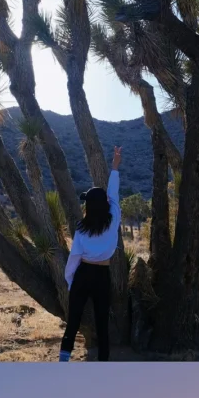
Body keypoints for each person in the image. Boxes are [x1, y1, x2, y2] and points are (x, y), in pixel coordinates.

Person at [60, 146, 123, 362]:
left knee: (73, 321)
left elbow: (74, 257)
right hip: (102, 276)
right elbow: (113, 195)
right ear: (104, 205)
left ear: (87, 206)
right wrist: (115, 166)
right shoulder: (113, 219)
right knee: (102, 322)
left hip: (83, 274)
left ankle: (63, 360)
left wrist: (70, 280)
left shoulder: (81, 227)